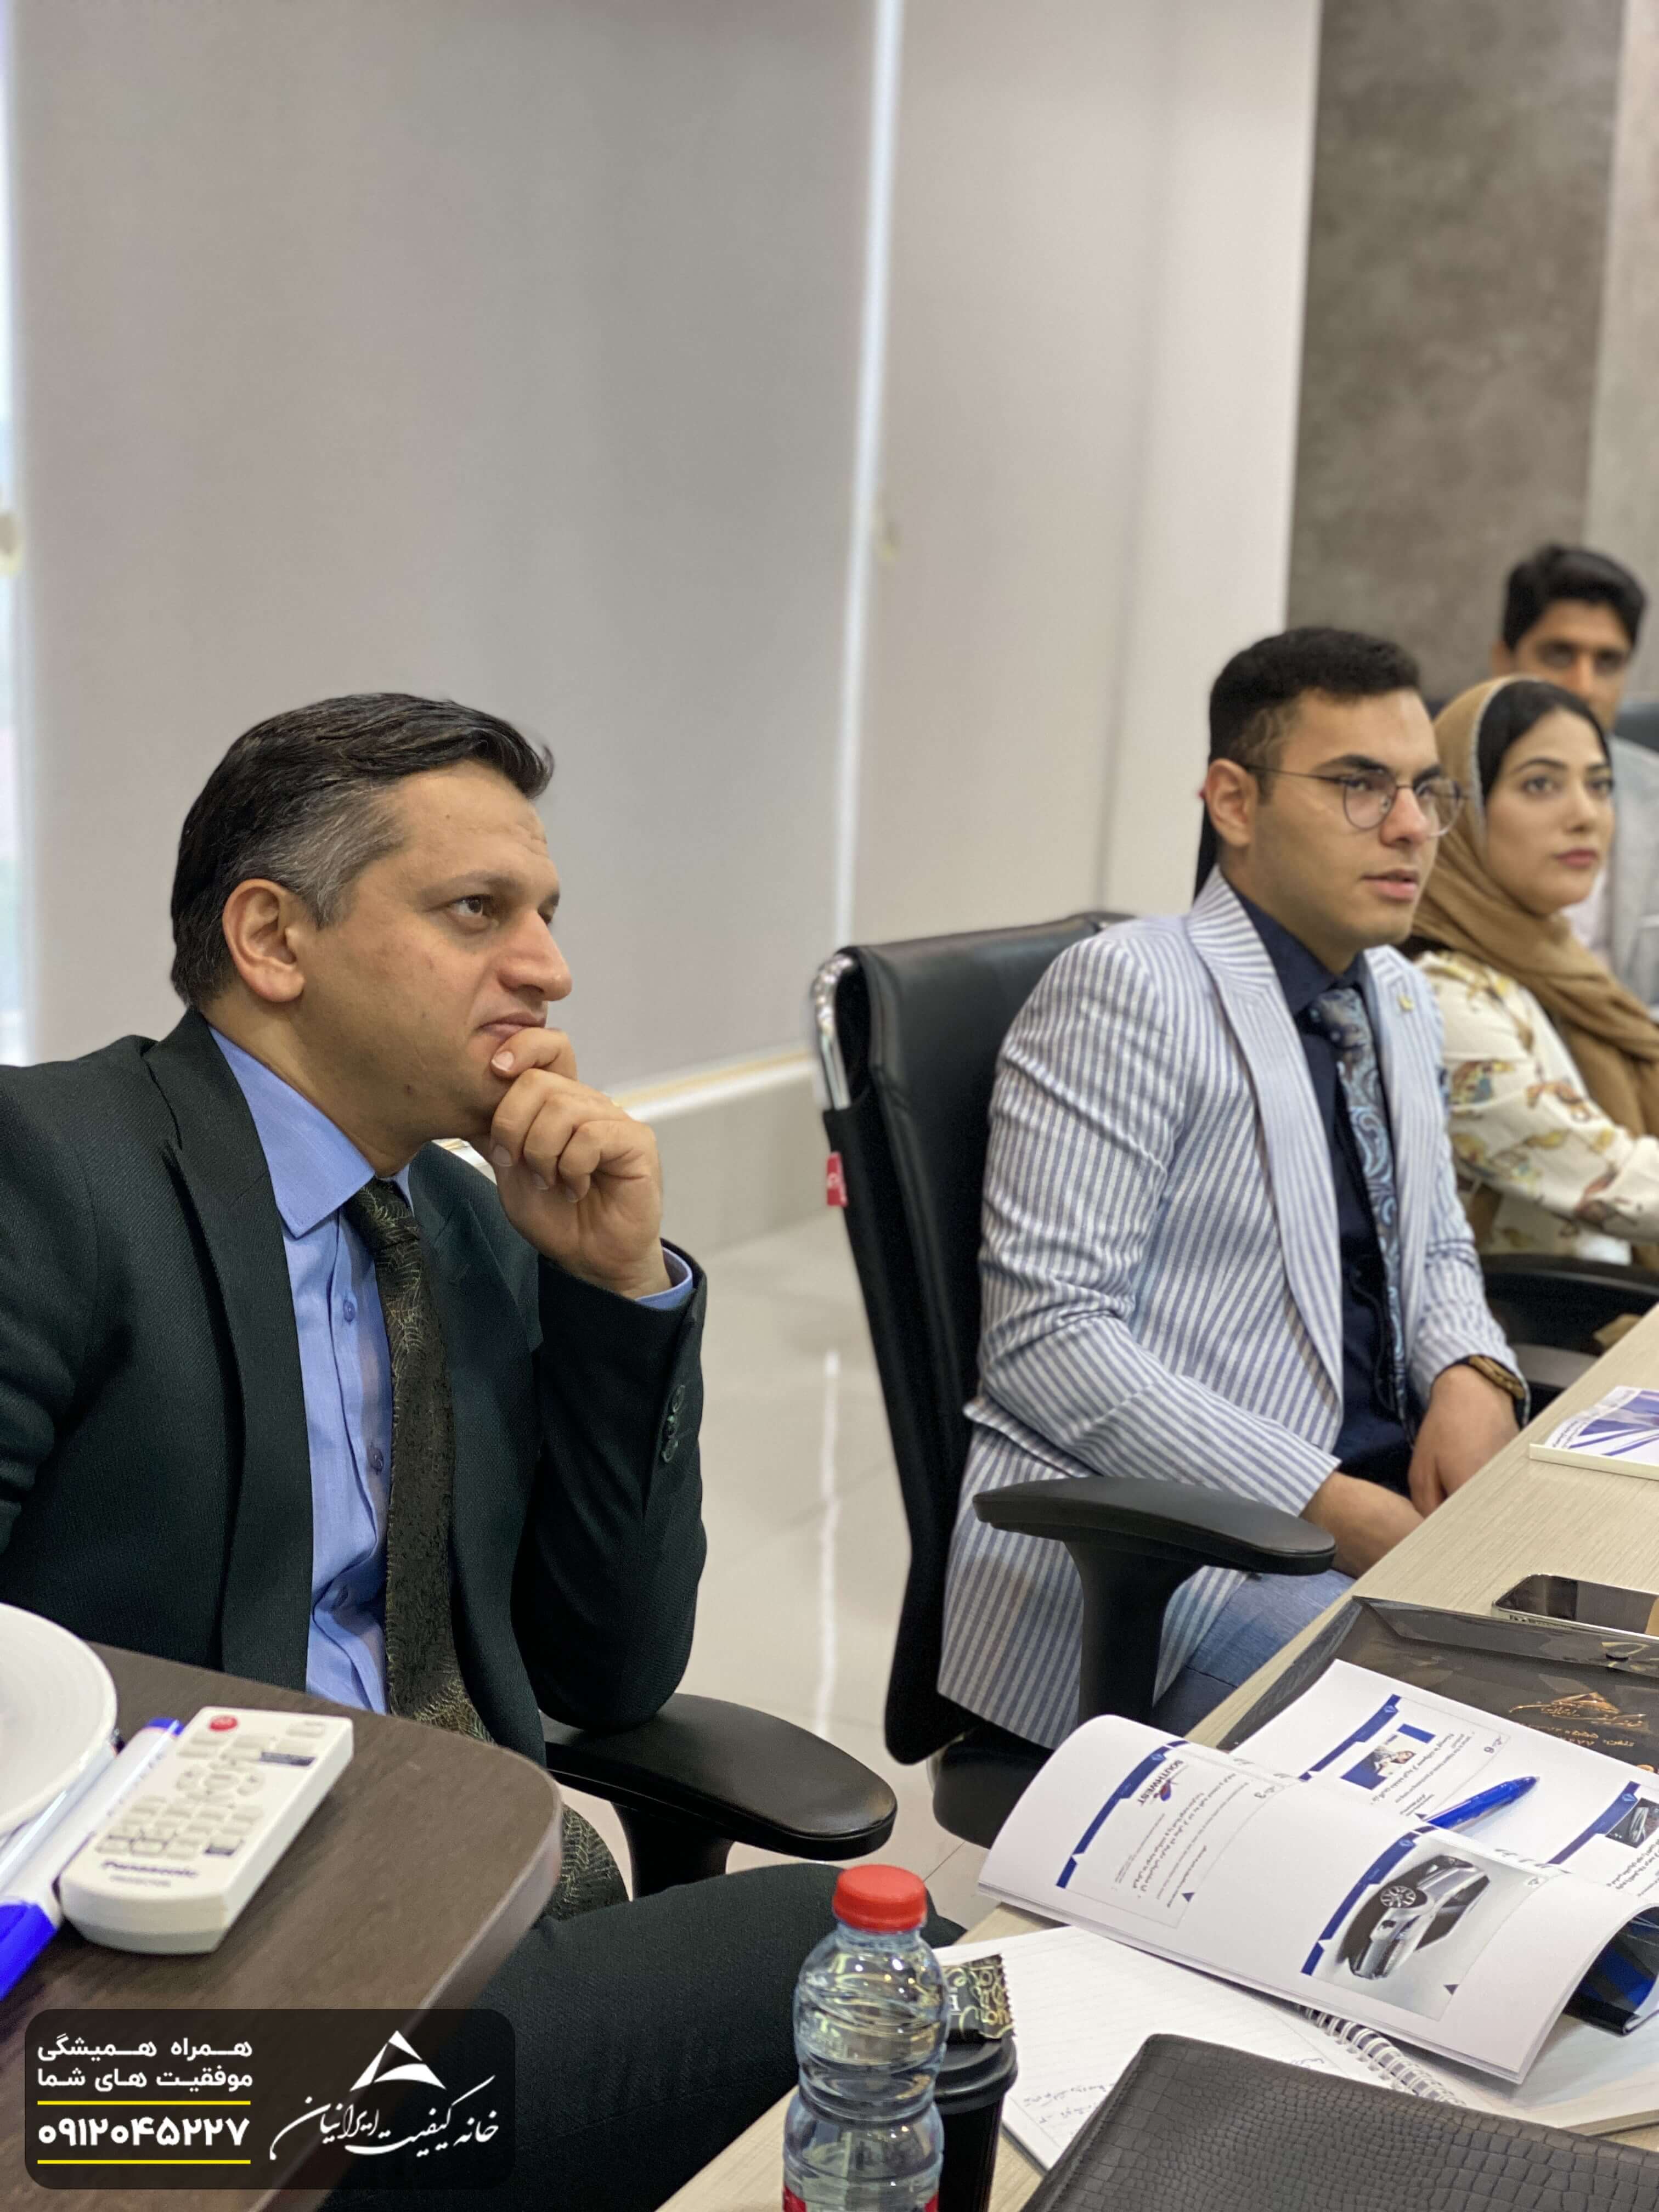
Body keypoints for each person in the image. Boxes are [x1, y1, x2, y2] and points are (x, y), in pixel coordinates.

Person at [0, 693, 946, 2212]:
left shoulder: (462, 1222)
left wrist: (618, 1293)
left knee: (927, 2016)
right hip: (136, 2060)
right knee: (884, 1971)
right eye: (475, 911)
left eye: (546, 916)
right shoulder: (50, 1172)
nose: (549, 968)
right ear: (274, 939)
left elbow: (610, 1676)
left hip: (466, 1910)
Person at [940, 630, 1523, 1752]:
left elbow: (1435, 1246)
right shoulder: (1129, 991)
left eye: (1424, 790)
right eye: (1359, 785)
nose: (1411, 826)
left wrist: (1468, 1368)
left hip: (1385, 1504)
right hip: (1192, 1558)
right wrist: (1329, 1506)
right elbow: (1048, 1341)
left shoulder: (1393, 991)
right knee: (1521, 1746)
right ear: (1233, 801)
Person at [1411, 677, 1659, 1267]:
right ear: (1457, 806)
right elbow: (1613, 1180)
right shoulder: (1438, 995)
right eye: (1540, 784)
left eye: (1599, 786)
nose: (1585, 815)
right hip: (1541, 1323)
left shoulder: (1573, 977)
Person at [1490, 544, 1659, 1003]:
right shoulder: (1435, 794)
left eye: (1608, 662)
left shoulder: (1654, 794)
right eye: (1559, 656)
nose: (1583, 687)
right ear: (1504, 660)